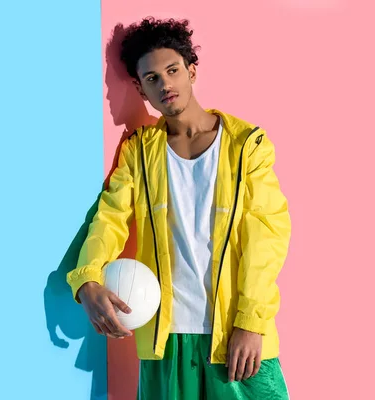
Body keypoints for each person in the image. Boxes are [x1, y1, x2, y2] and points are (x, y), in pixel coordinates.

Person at [66, 17, 291, 399]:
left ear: (191, 71)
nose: (165, 84)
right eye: (151, 78)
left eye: (172, 71)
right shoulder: (139, 152)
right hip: (165, 339)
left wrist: (251, 322)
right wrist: (86, 278)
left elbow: (266, 236)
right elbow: (110, 219)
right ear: (140, 89)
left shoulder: (246, 146)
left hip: (235, 336)